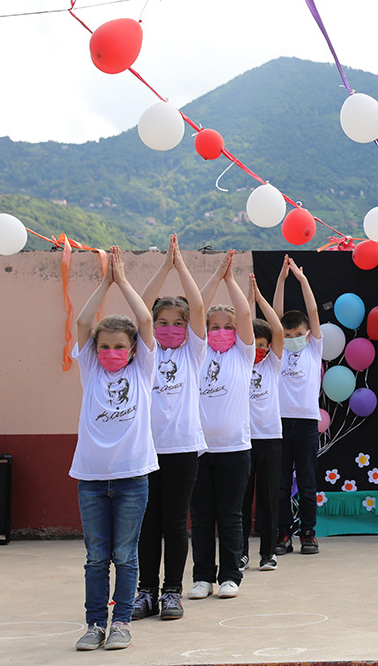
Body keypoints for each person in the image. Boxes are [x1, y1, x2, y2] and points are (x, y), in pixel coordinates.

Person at [71, 247, 157, 651]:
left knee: (125, 555)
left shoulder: (142, 370)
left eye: (119, 347)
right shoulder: (90, 369)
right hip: (90, 480)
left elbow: (144, 321)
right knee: (95, 558)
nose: (110, 353)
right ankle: (94, 625)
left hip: (132, 479)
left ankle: (121, 622)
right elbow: (83, 322)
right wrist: (105, 282)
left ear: (133, 350)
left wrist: (122, 281)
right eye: (104, 347)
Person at [131, 234, 206, 623]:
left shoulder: (194, 353)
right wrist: (164, 266)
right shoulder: (145, 353)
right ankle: (146, 591)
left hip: (182, 449)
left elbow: (199, 306)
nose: (170, 328)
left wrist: (181, 266)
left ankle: (172, 592)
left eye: (178, 323)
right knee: (148, 524)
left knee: (175, 522)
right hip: (146, 450)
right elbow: (141, 307)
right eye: (162, 323)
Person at [187, 251, 255, 600]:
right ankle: (202, 577)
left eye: (228, 327)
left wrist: (230, 280)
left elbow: (245, 314)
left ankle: (230, 575)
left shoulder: (244, 355)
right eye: (214, 327)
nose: (221, 331)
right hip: (198, 450)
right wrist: (215, 277)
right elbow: (196, 310)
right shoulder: (196, 354)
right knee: (200, 517)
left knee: (230, 515)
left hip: (234, 450)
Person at [273, 255, 324, 556]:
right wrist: (281, 280)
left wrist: (302, 280)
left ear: (307, 335)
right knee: (280, 485)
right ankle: (283, 533)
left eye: (297, 335)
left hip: (306, 423)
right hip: (279, 423)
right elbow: (275, 316)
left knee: (306, 482)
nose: (292, 339)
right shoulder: (278, 349)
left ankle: (308, 533)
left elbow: (313, 311)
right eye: (287, 335)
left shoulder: (313, 349)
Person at [243, 274, 284, 571]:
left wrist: (258, 299)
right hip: (242, 440)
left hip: (269, 438)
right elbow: (241, 327)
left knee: (269, 499)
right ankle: (240, 553)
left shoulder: (272, 364)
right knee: (241, 501)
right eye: (253, 343)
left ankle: (268, 553)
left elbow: (278, 330)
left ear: (269, 346)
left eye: (262, 344)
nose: (257, 349)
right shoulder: (238, 361)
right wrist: (247, 302)